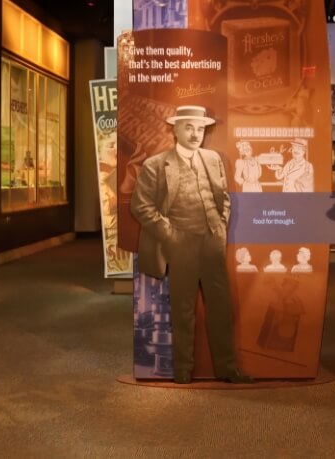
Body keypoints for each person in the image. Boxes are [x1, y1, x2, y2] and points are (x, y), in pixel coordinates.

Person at [130, 105, 252, 385]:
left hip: (212, 242)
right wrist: (170, 234)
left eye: (200, 129)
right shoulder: (157, 164)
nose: (196, 134)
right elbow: (141, 206)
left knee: (220, 307)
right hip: (180, 244)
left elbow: (223, 198)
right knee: (183, 309)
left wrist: (220, 227)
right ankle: (183, 370)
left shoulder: (213, 159)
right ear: (175, 129)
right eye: (189, 127)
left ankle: (227, 369)